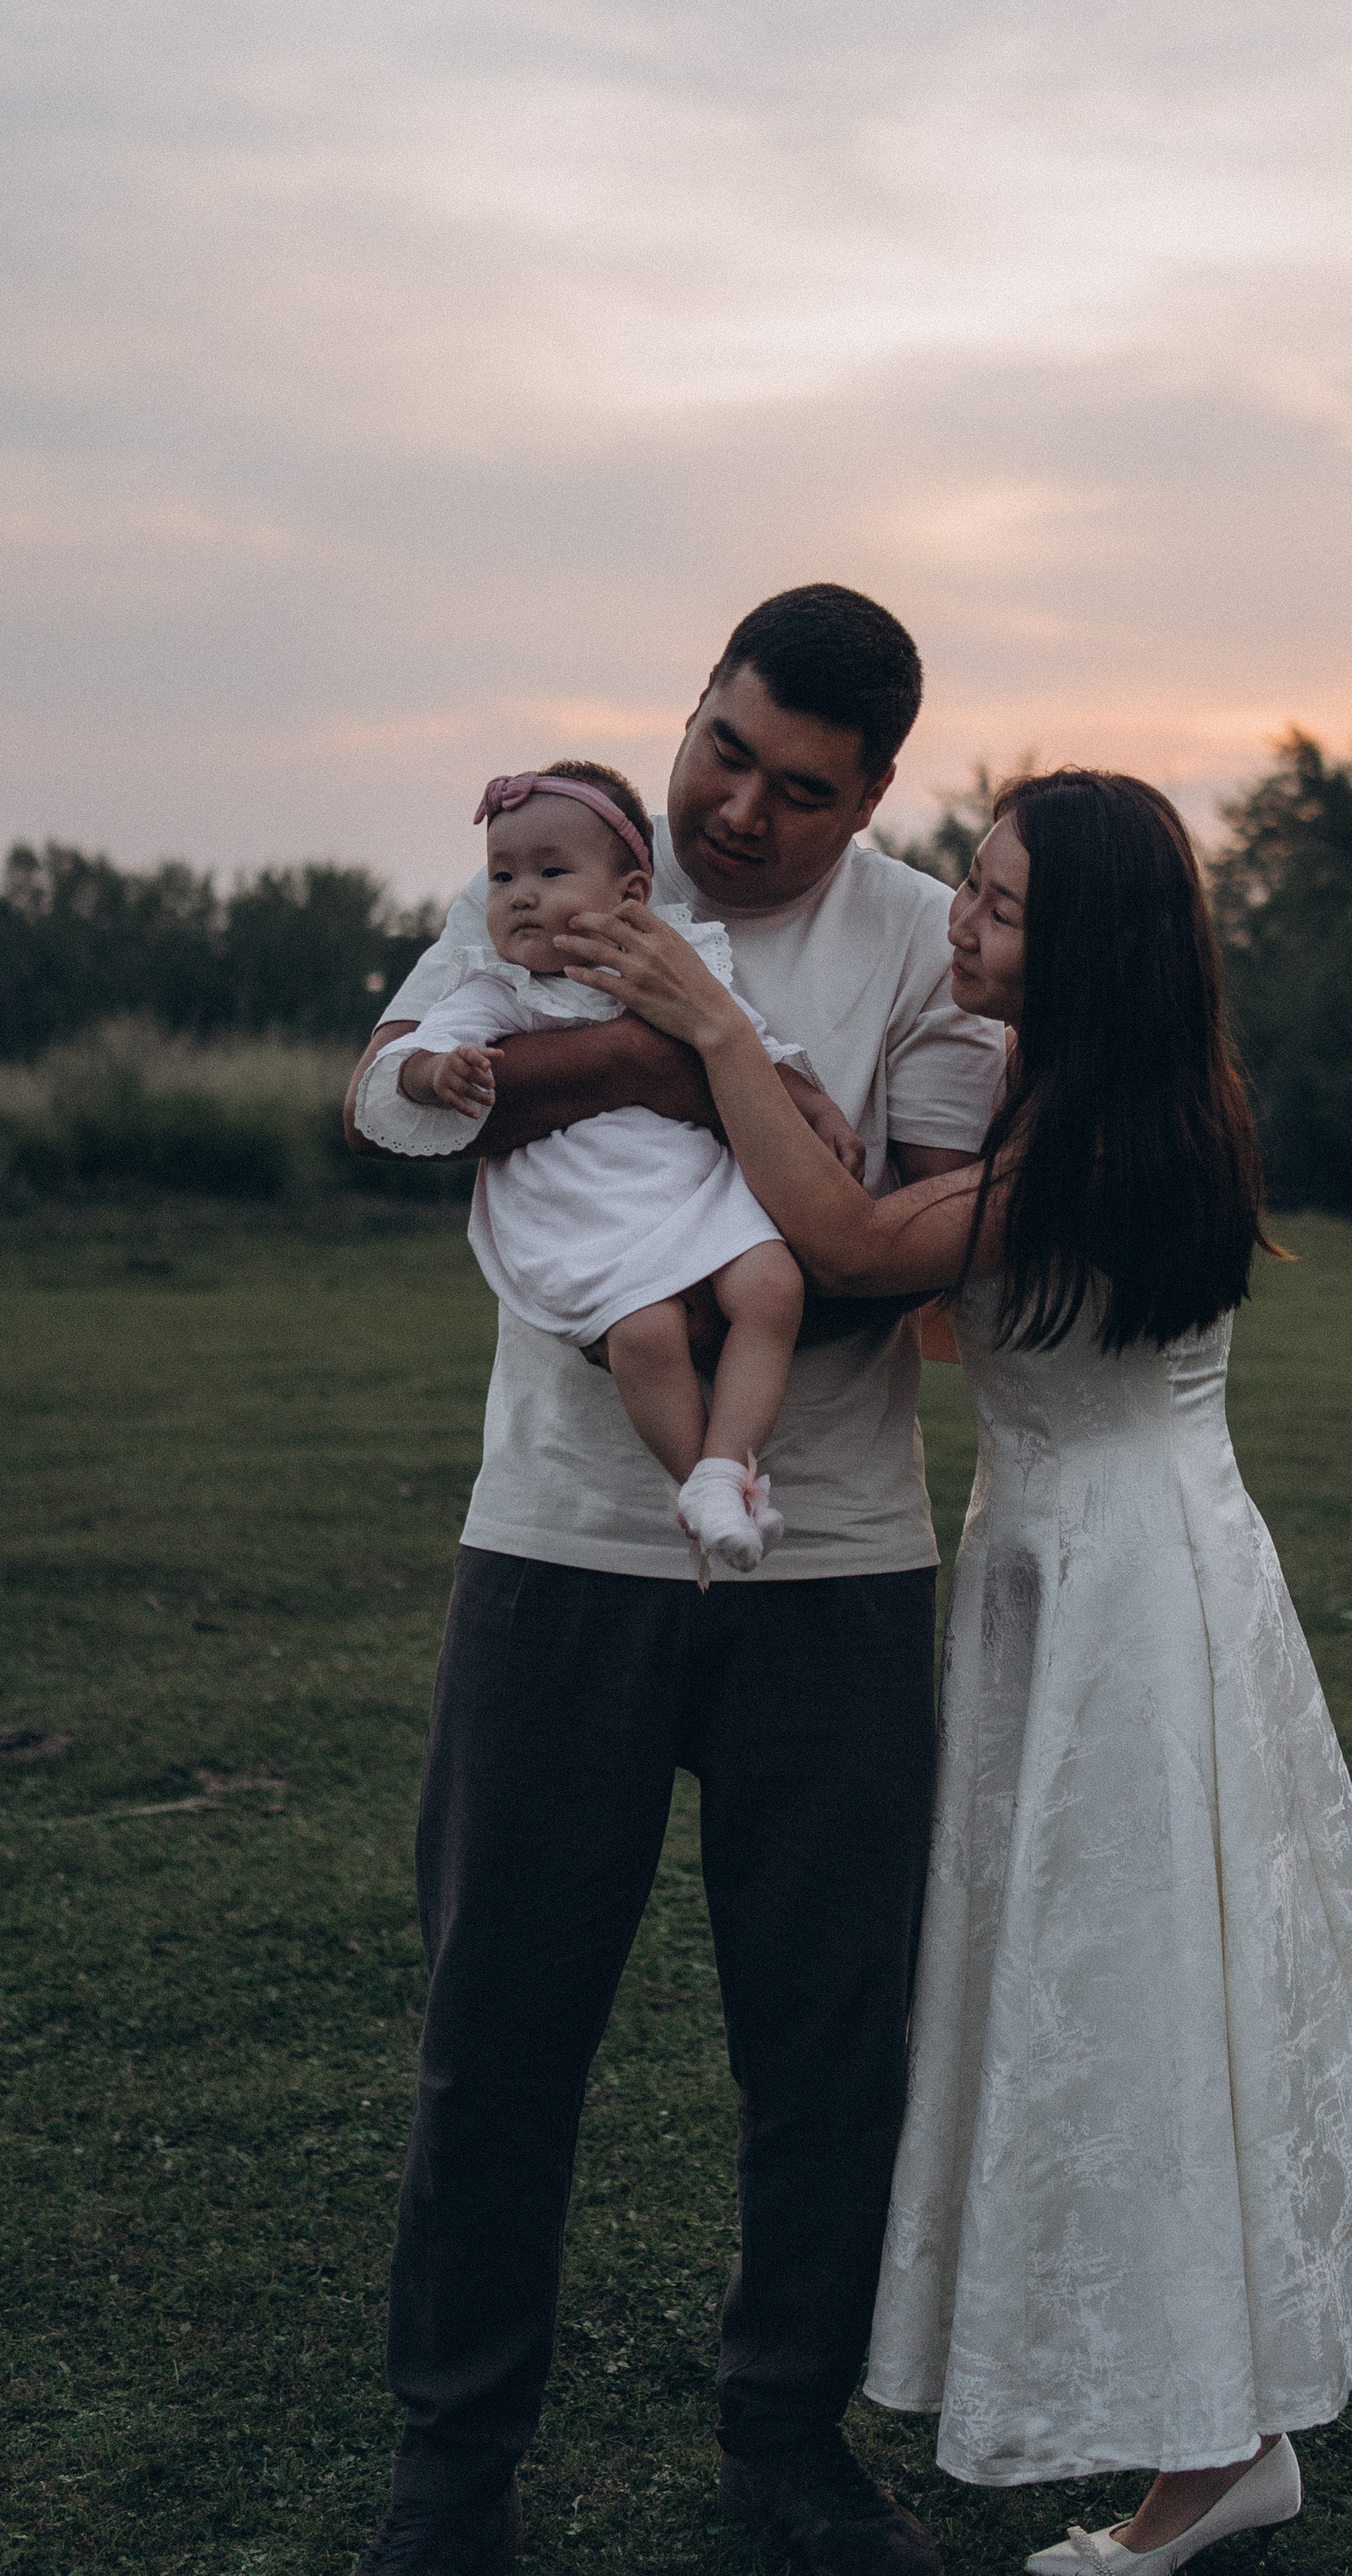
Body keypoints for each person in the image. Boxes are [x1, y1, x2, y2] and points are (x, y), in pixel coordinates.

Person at [586, 768, 1352, 2573]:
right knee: (1261, 1979)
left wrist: (715, 1025)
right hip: (1065, 1562)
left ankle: (1238, 2437)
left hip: (1135, 1589)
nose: (961, 923)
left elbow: (868, 1252)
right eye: (967, 886)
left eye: (1003, 906)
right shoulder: (1069, 1099)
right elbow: (965, 1315)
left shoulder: (1102, 1124)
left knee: (1155, 2000)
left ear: (1091, 942)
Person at [341, 588, 1003, 2576]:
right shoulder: (554, 862)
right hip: (554, 1537)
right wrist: (639, 1063)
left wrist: (647, 1053)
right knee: (500, 2022)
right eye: (723, 746)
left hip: (837, 1561)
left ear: (872, 795)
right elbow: (388, 1100)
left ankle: (786, 2451)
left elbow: (899, 1245)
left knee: (823, 2034)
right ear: (693, 708)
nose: (740, 808)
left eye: (801, 790)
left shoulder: (911, 946)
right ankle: (453, 2470)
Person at [355, 756, 863, 1577]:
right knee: (645, 1332)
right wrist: (433, 1072)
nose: (522, 893)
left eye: (552, 872)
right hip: (582, 1202)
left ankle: (722, 1469)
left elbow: (757, 1046)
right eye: (502, 875)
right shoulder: (504, 987)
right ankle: (695, 1480)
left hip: (691, 1181)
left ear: (630, 894)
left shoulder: (671, 967)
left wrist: (817, 1111)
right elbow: (412, 1053)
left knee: (773, 1286)